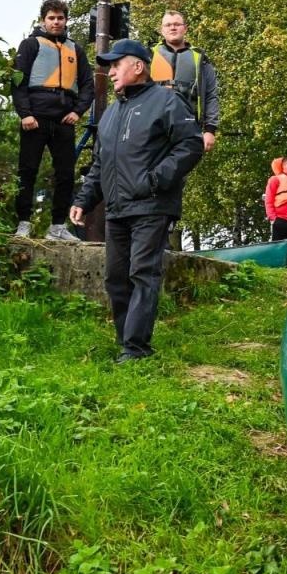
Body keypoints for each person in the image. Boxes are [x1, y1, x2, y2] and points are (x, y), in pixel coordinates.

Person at [69, 39, 204, 362]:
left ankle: (136, 348)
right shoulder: (112, 113)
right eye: (109, 66)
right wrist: (84, 200)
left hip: (152, 206)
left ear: (138, 66)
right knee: (115, 277)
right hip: (117, 209)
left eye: (117, 65)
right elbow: (101, 163)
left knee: (142, 273)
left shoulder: (167, 102)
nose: (111, 72)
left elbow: (191, 145)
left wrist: (157, 179)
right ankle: (125, 342)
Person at [12, 0, 94, 240]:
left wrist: (77, 111)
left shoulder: (75, 49)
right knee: (27, 171)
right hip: (35, 118)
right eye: (52, 18)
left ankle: (57, 226)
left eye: (60, 18)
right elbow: (17, 81)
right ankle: (23, 223)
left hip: (63, 119)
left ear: (66, 20)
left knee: (66, 174)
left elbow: (87, 84)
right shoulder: (30, 45)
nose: (56, 22)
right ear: (43, 20)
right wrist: (25, 113)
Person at [151, 9, 221, 153]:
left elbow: (211, 95)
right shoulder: (148, 55)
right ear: (161, 30)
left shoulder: (200, 59)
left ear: (185, 28)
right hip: (153, 126)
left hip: (187, 127)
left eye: (177, 24)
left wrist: (210, 130)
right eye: (168, 25)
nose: (173, 27)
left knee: (178, 172)